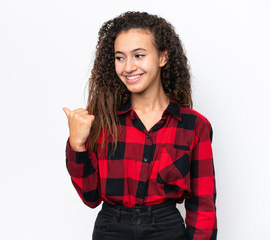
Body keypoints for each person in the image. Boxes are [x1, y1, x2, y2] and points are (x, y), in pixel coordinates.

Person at [63, 11, 217, 240]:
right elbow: (91, 196)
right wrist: (77, 145)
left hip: (167, 231)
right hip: (110, 230)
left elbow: (203, 206)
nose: (128, 68)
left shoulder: (194, 126)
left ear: (162, 57)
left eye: (139, 55)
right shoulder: (102, 120)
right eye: (120, 57)